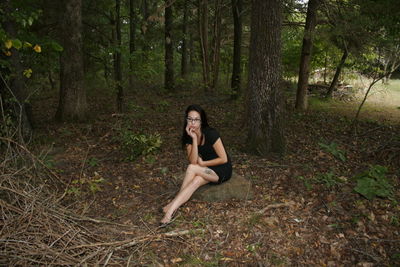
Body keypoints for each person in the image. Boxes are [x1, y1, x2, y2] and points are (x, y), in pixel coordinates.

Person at [160, 104, 232, 226]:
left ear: (201, 121)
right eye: (190, 119)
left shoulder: (211, 133)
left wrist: (203, 163)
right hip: (205, 170)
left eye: (196, 119)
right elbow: (193, 161)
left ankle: (170, 210)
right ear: (186, 120)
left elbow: (224, 159)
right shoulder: (189, 138)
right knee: (196, 181)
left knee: (191, 169)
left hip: (222, 169)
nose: (192, 122)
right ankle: (174, 207)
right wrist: (193, 138)